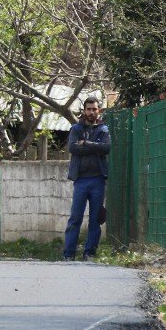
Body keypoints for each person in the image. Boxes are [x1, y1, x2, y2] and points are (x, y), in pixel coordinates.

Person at [63, 97, 111, 261]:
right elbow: (72, 148)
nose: (91, 112)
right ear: (84, 110)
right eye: (89, 109)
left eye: (94, 109)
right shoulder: (76, 129)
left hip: (98, 180)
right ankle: (69, 255)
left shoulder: (103, 129)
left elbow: (106, 148)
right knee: (75, 218)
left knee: (95, 219)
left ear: (99, 111)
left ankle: (89, 253)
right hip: (81, 180)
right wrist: (93, 146)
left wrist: (86, 144)